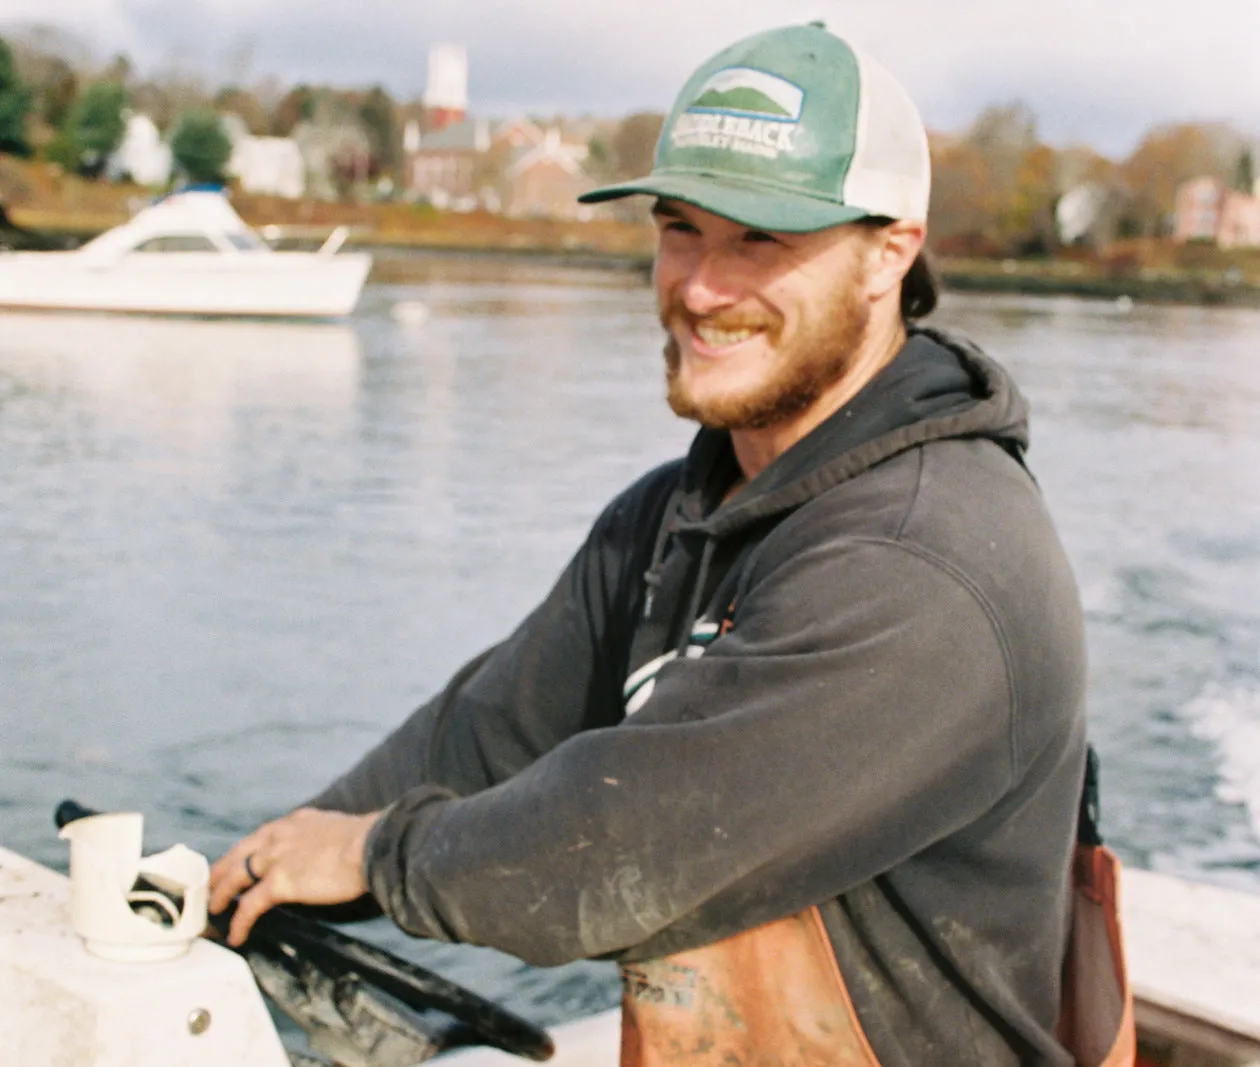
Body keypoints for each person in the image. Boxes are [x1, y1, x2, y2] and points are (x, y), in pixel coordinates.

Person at [210, 23, 1133, 1066]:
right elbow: (481, 740)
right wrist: (254, 870)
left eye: (761, 242)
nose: (698, 287)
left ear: (890, 253)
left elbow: (618, 847)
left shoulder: (924, 565)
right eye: (682, 228)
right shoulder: (674, 515)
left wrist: (375, 853)